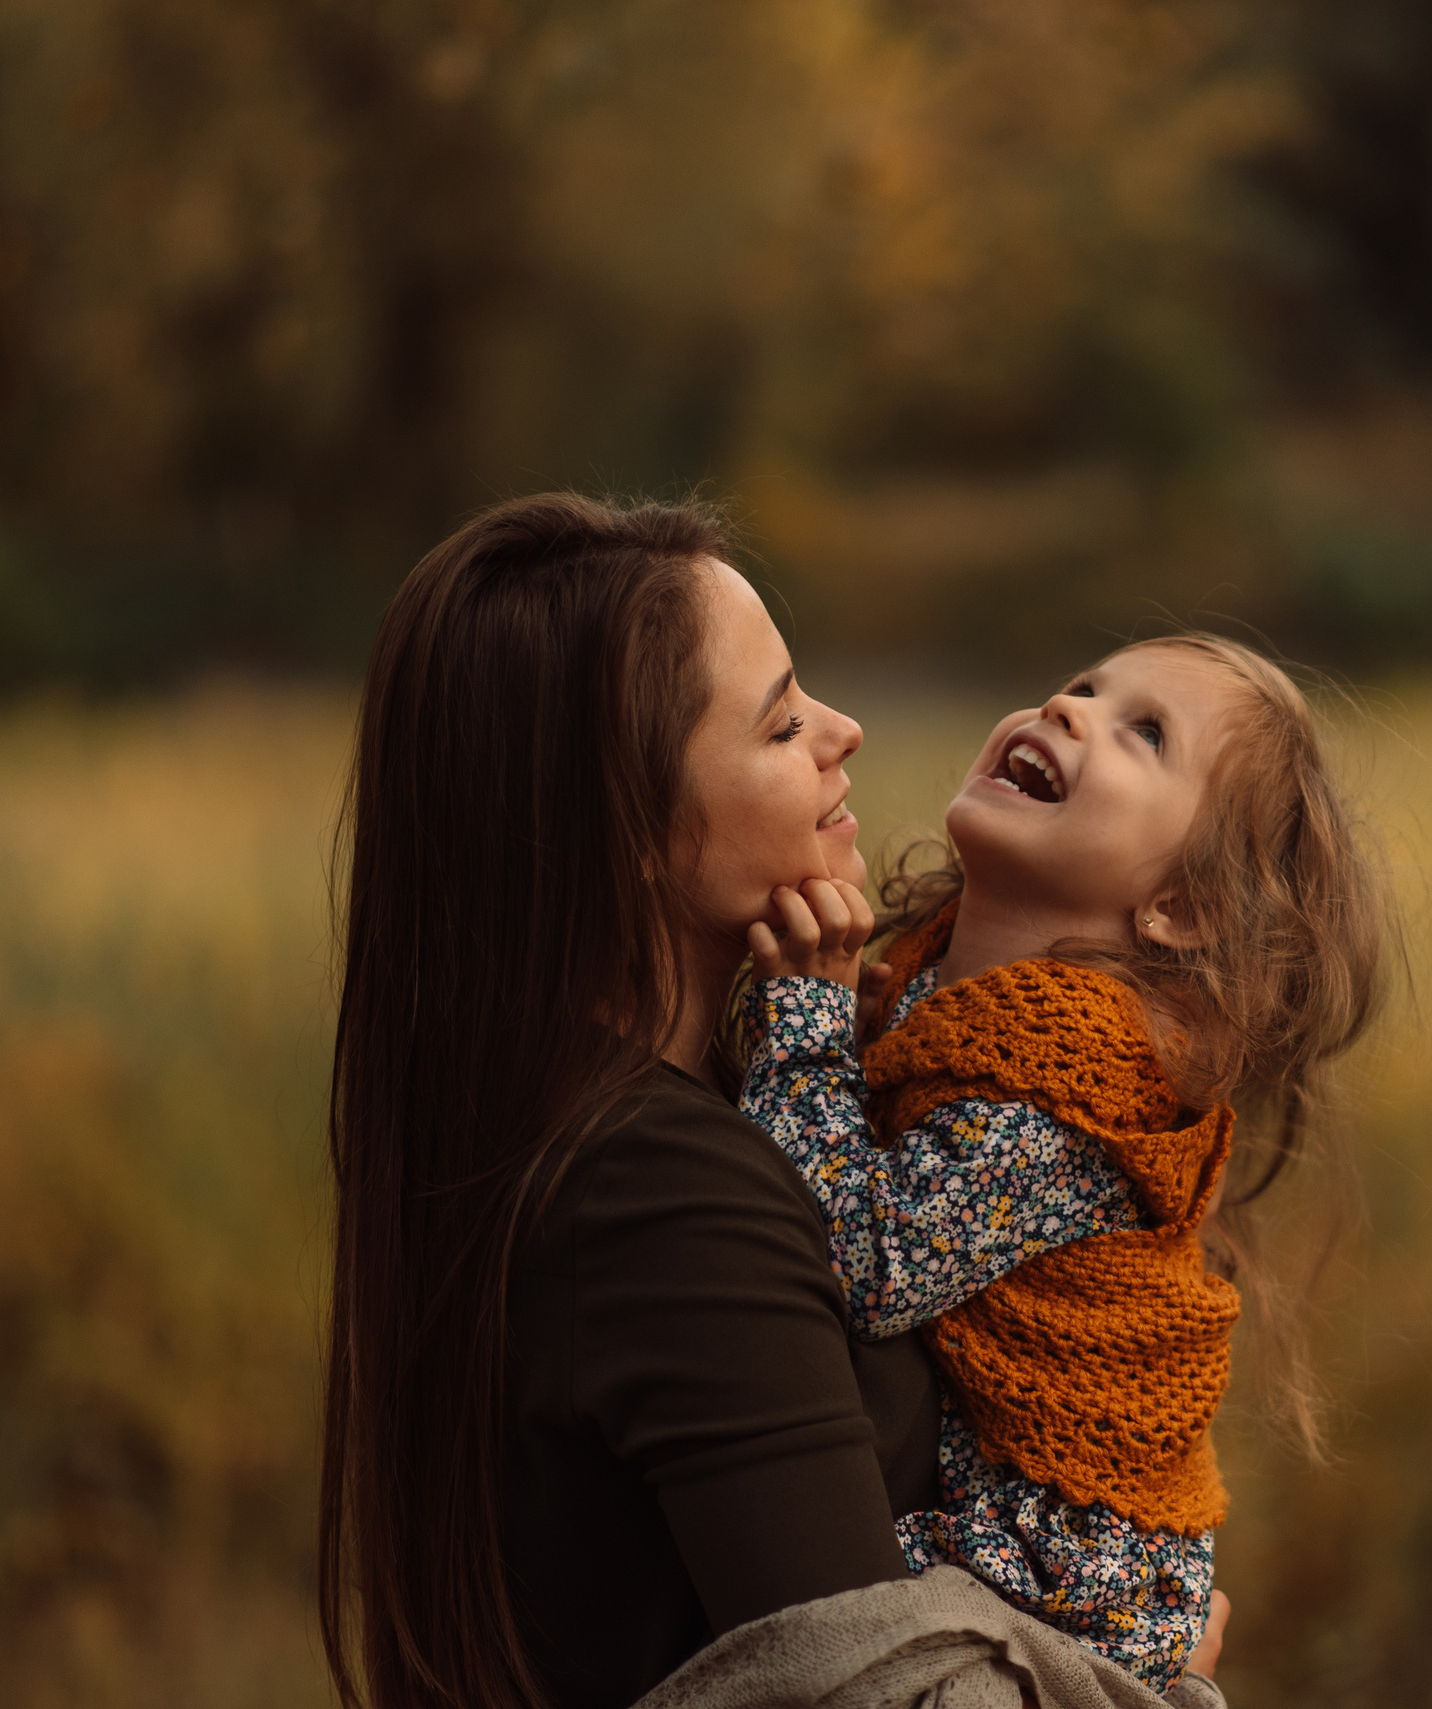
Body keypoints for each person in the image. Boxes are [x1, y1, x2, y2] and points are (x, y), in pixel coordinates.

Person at [318, 493, 947, 1709]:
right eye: (779, 726)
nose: (844, 731)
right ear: (628, 834)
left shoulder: (540, 1123)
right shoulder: (662, 1194)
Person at [735, 635, 1387, 1688]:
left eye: (1147, 733)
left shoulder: (1068, 1090)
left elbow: (857, 1262)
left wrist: (803, 1022)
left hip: (1057, 1569)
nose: (1069, 704)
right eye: (1086, 685)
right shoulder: (946, 984)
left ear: (1180, 906)